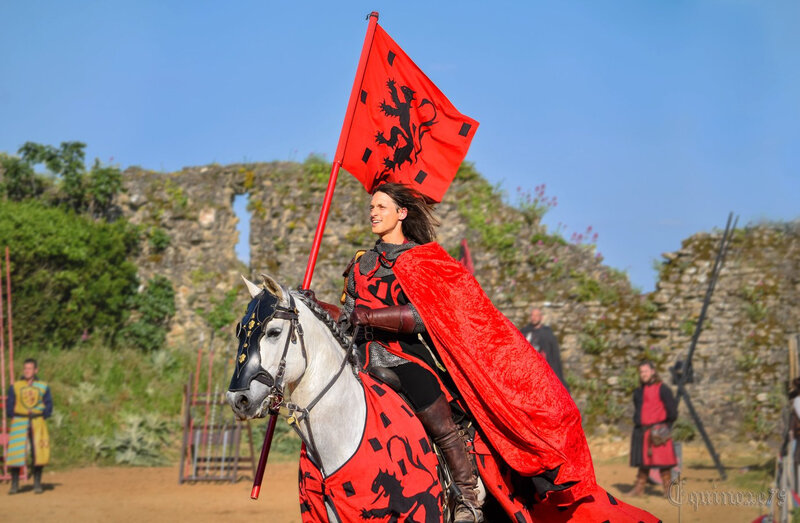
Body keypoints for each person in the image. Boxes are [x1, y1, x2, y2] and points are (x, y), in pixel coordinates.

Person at [310, 183, 657, 522]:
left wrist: (370, 316)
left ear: (401, 213)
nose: (373, 212)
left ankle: (466, 492)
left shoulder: (422, 259)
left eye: (381, 207)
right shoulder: (360, 264)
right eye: (371, 207)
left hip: (408, 355)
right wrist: (314, 306)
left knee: (431, 403)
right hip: (362, 355)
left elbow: (425, 316)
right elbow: (349, 313)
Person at [630, 360, 677, 497]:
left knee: (664, 462)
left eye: (645, 371)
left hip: (659, 431)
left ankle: (668, 492)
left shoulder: (663, 389)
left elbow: (672, 411)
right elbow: (638, 409)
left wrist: (664, 427)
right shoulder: (639, 391)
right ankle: (639, 489)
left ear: (653, 371)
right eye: (641, 372)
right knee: (643, 462)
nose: (643, 374)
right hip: (644, 431)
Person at [6, 358, 53, 495]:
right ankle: (15, 484)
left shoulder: (43, 386)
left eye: (30, 368)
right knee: (16, 452)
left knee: (38, 452)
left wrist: (43, 415)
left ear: (35, 370)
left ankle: (37, 483)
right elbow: (11, 403)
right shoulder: (16, 386)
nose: (27, 371)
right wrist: (13, 415)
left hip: (37, 421)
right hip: (20, 420)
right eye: (25, 368)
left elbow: (48, 403)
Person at [519, 307, 568, 391]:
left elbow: (553, 355)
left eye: (536, 315)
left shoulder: (547, 333)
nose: (534, 318)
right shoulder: (525, 331)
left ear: (541, 317)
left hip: (543, 371)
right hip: (526, 370)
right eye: (532, 315)